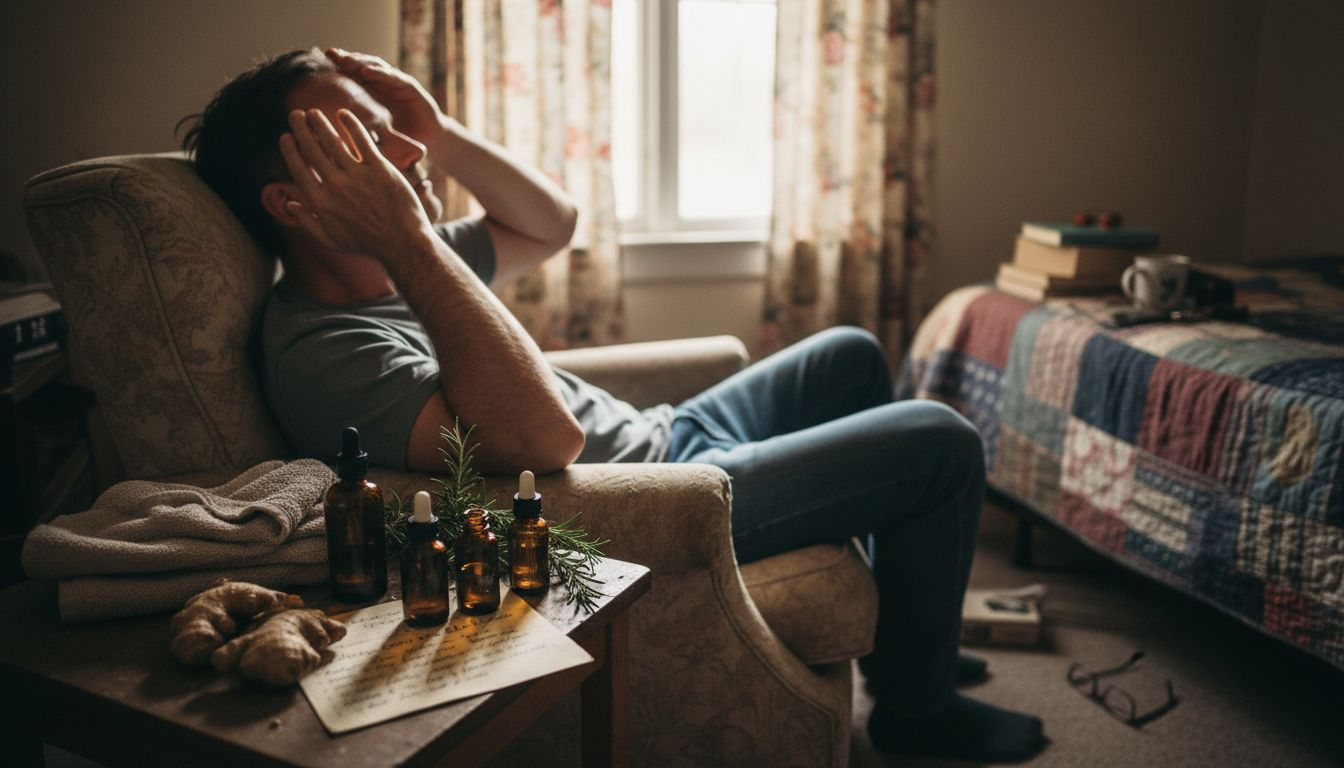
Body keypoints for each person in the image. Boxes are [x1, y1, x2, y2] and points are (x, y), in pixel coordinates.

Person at [182, 47, 1045, 762]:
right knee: (937, 441)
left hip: (668, 436)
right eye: (370, 143)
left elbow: (551, 222)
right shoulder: (329, 349)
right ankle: (918, 718)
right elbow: (545, 441)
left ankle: (909, 656)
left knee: (851, 358)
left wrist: (437, 131)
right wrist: (409, 236)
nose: (404, 156)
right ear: (294, 201)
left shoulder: (398, 264)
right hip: (650, 496)